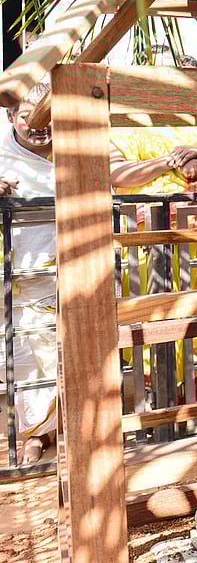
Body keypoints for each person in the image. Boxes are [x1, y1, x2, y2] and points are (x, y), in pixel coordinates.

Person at [0, 83, 57, 463]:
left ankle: (53, 431)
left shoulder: (74, 148)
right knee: (24, 355)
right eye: (28, 117)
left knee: (62, 355)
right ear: (10, 117)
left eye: (46, 118)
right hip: (14, 275)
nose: (39, 126)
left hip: (62, 271)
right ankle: (33, 434)